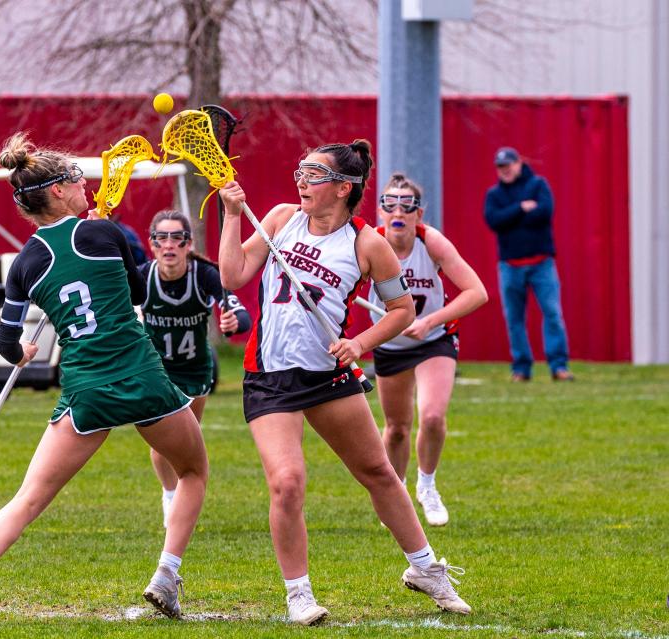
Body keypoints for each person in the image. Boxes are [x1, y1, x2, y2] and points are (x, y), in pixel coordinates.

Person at [0, 134, 209, 624]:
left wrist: (23, 351)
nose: (84, 182)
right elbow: (139, 292)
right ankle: (165, 577)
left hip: (86, 386)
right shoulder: (104, 235)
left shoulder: (24, 263)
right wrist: (116, 236)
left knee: (29, 497)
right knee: (193, 472)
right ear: (60, 192)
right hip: (141, 373)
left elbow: (7, 345)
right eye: (75, 178)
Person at [218, 141, 471, 625]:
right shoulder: (277, 218)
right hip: (270, 378)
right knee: (287, 482)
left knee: (378, 471)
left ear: (343, 187)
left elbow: (403, 311)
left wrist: (359, 343)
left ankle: (425, 569)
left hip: (328, 375)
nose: (301, 181)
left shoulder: (366, 244)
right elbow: (232, 274)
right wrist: (232, 216)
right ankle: (299, 595)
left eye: (313, 174)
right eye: (301, 171)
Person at [368, 173, 488, 527]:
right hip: (390, 343)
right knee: (397, 428)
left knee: (433, 416)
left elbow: (476, 292)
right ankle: (396, 493)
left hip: (433, 340)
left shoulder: (430, 241)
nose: (398, 210)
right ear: (380, 212)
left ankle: (427, 485)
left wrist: (430, 321)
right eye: (390, 203)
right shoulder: (367, 243)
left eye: (407, 204)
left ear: (419, 214)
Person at [139, 209, 251, 527]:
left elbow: (238, 314)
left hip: (196, 370)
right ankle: (170, 495)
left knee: (187, 443)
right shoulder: (142, 276)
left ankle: (181, 492)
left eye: (178, 237)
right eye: (162, 238)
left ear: (188, 244)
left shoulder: (204, 274)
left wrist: (232, 322)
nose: (170, 245)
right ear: (153, 244)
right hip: (157, 371)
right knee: (163, 443)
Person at [484, 146, 574, 382]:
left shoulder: (538, 185)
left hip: (541, 264)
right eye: (500, 167)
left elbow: (544, 213)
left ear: (519, 164)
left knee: (552, 313)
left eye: (508, 165)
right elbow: (494, 220)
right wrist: (521, 208)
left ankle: (559, 366)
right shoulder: (494, 195)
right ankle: (521, 369)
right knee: (514, 319)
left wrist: (511, 217)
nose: (505, 170)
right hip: (510, 266)